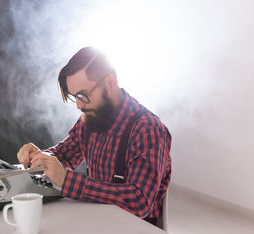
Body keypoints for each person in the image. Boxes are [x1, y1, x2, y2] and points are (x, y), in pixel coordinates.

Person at [17, 47, 171, 224]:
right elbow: (64, 155)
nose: (79, 106)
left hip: (136, 233)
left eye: (83, 95)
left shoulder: (147, 129)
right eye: (75, 97)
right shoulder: (91, 118)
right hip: (98, 221)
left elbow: (139, 201)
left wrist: (67, 181)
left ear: (110, 83)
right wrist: (40, 157)